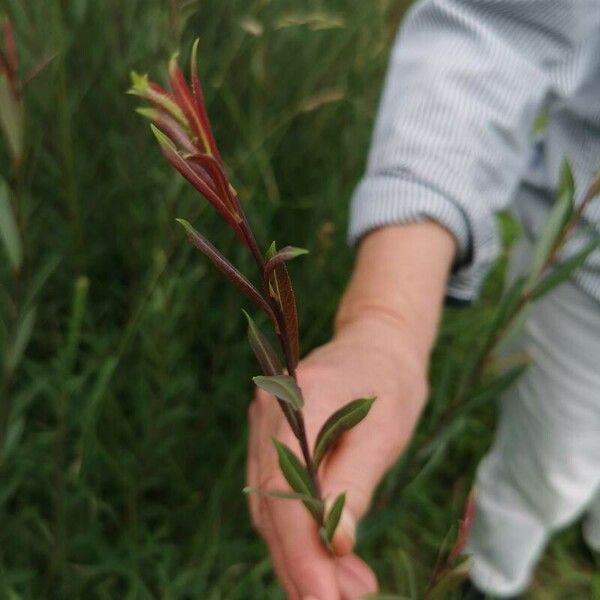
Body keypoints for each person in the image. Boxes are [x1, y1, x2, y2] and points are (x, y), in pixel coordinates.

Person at [246, 2, 600, 598]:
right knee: (552, 461)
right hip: (586, 285)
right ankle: (491, 573)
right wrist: (387, 322)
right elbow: (495, 31)